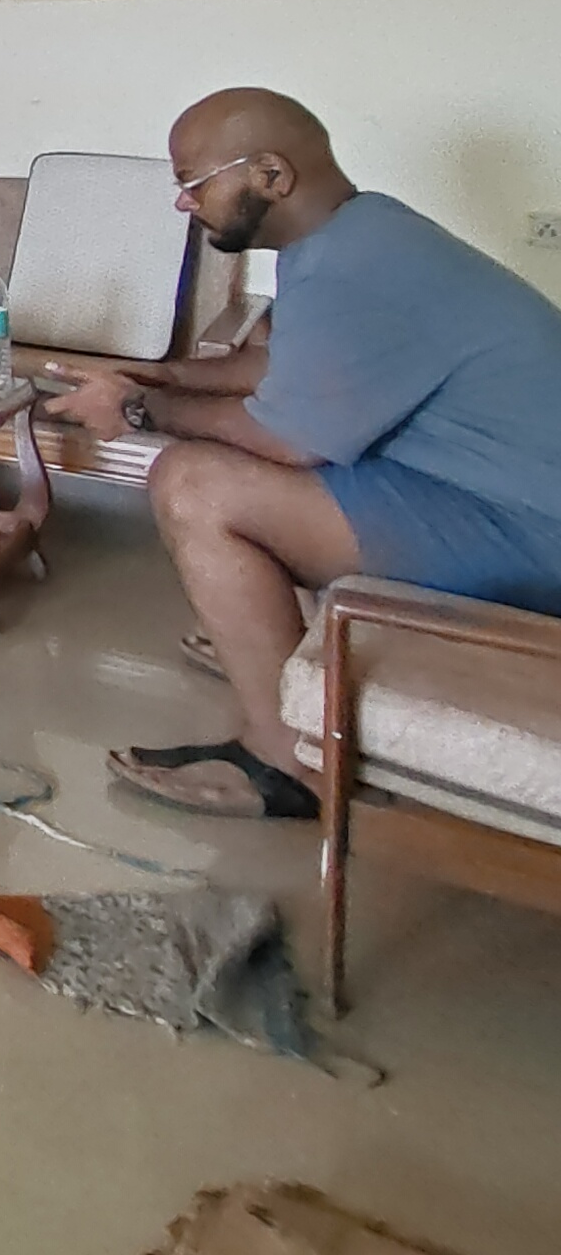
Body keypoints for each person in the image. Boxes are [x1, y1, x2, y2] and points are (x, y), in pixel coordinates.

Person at [43, 88, 561, 820]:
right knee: (241, 464)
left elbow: (286, 440)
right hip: (496, 499)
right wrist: (157, 376)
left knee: (194, 485)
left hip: (532, 539)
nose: (183, 203)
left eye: (194, 183)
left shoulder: (358, 265)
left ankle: (286, 763)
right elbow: (282, 369)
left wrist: (136, 411)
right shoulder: (357, 234)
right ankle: (276, 655)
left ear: (271, 175)